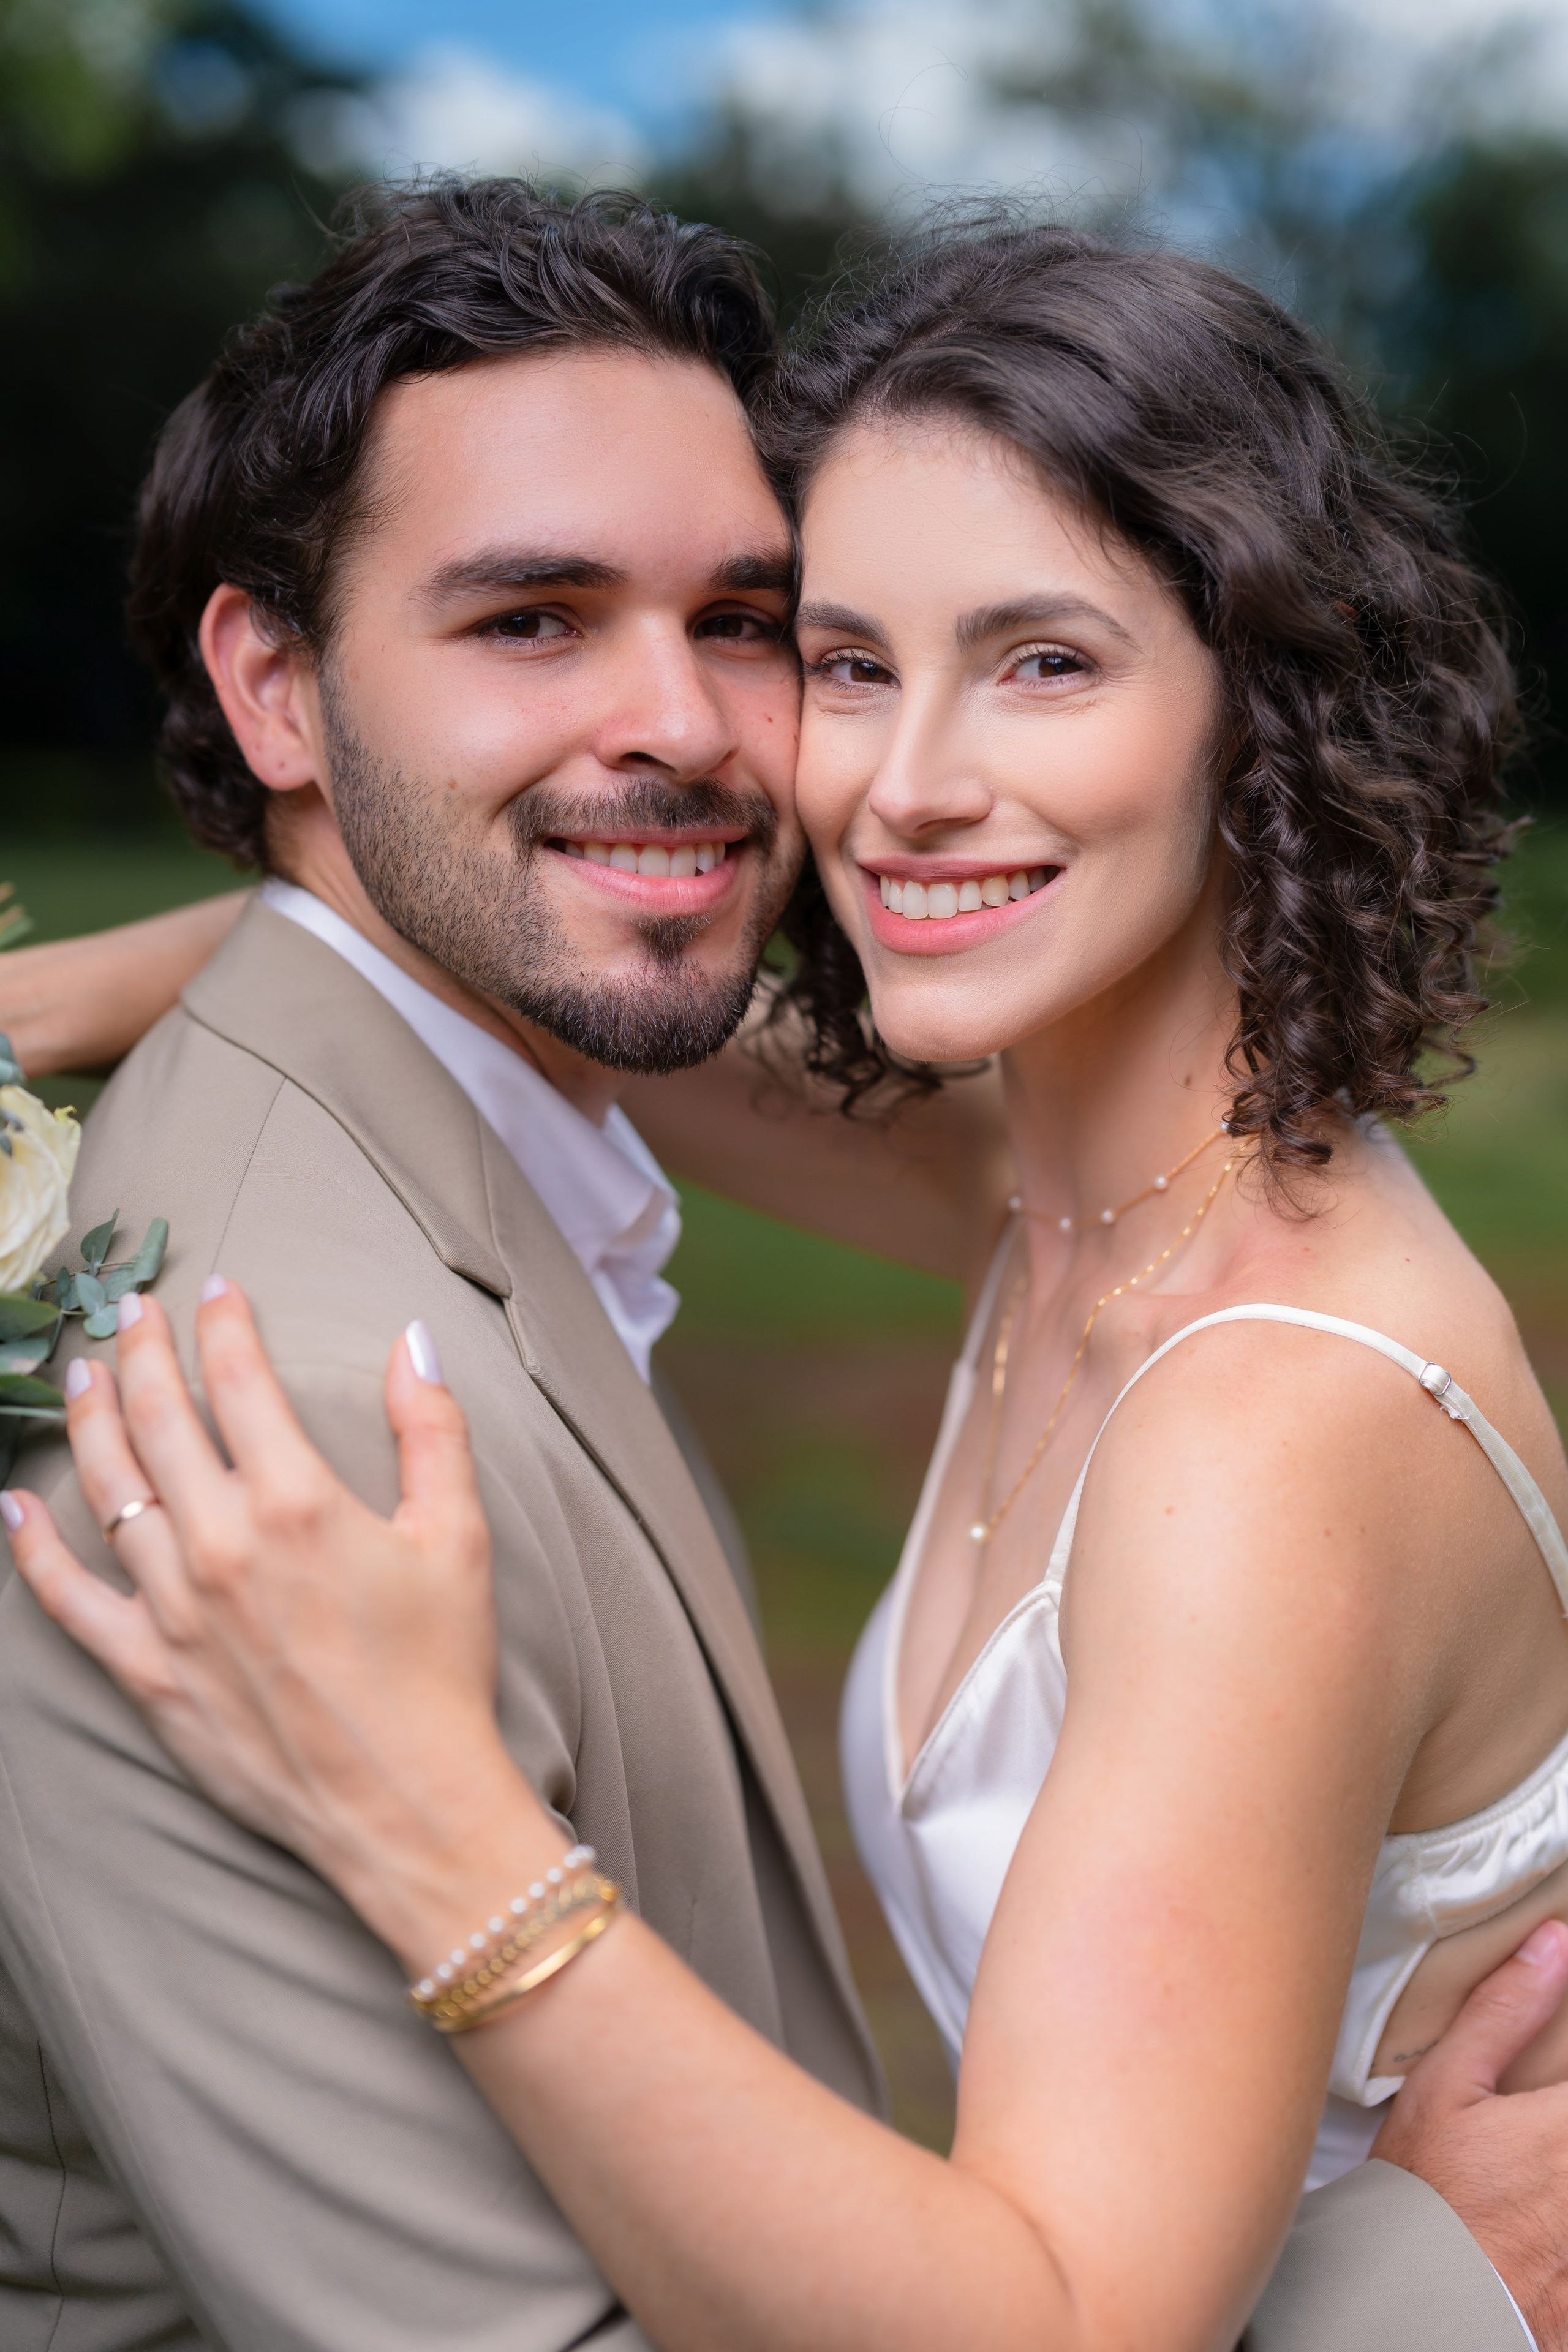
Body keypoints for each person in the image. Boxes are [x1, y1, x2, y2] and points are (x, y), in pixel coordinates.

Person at [4, 197, 1568, 2351]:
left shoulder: (1265, 1424)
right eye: (846, 659)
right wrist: (68, 998)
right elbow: (488, 932)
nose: (897, 787)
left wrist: (443, 1832)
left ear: (1258, 703)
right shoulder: (1062, 1174)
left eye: (1046, 660)